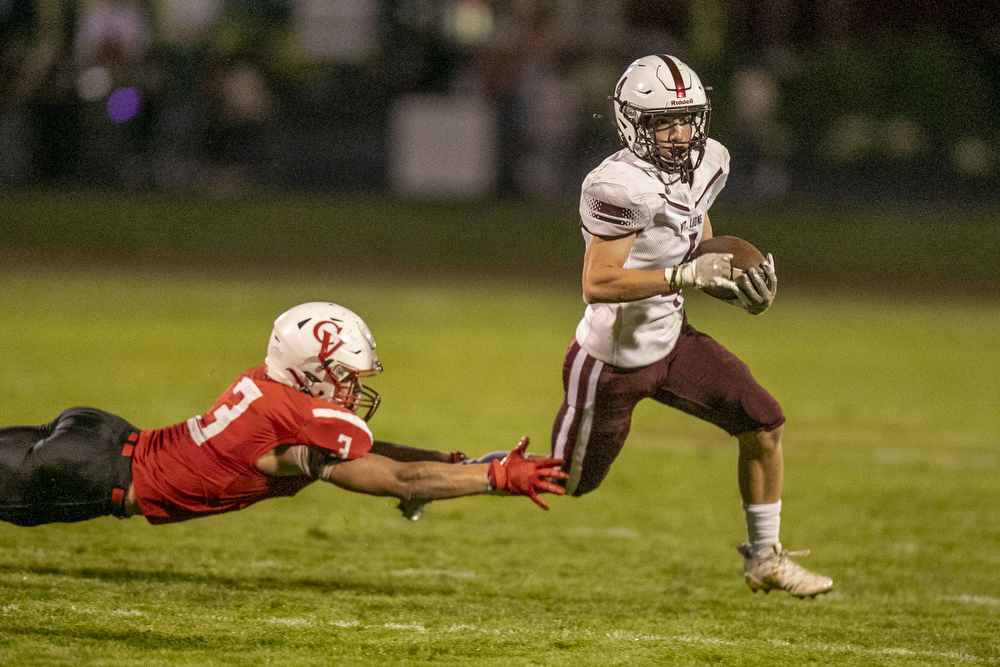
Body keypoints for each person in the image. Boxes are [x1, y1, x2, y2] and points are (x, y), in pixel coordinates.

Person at [549, 55, 832, 598]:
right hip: (611, 361)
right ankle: (461, 476)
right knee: (563, 482)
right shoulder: (616, 185)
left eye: (687, 119)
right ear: (631, 122)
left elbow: (696, 236)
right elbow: (599, 283)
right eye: (662, 122)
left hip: (674, 341)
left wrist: (729, 285)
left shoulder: (711, 162)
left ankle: (764, 557)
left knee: (764, 422)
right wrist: (684, 274)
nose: (679, 134)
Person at [0, 302, 566, 528]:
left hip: (97, 438)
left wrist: (454, 462)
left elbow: (374, 457)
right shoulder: (295, 425)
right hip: (93, 475)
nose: (350, 389)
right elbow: (393, 477)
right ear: (314, 369)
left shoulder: (271, 390)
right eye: (344, 375)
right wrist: (490, 477)